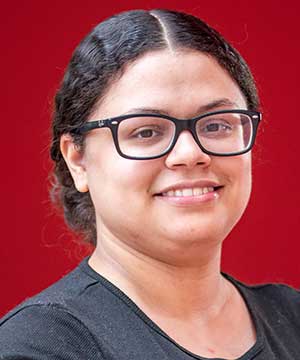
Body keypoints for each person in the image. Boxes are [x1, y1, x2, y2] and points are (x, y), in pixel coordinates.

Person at [1, 8, 299, 360]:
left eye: (216, 125)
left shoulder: (291, 317)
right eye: (146, 131)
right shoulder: (42, 346)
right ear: (77, 160)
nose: (190, 153)